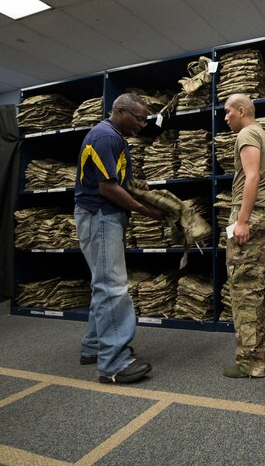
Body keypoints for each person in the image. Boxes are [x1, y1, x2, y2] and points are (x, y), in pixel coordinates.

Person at [74, 93, 164, 384]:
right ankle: (113, 364)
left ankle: (94, 347)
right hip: (100, 216)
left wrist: (135, 185)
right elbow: (107, 188)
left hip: (103, 217)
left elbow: (115, 180)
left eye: (144, 119)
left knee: (103, 285)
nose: (142, 124)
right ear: (120, 111)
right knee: (113, 288)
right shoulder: (104, 137)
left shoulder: (115, 137)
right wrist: (144, 209)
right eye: (138, 118)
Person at [222, 93, 265, 378]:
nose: (225, 118)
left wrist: (242, 220)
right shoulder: (263, 135)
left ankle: (250, 361)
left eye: (228, 112)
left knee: (244, 288)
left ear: (242, 111)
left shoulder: (246, 135)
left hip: (251, 216)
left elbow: (252, 176)